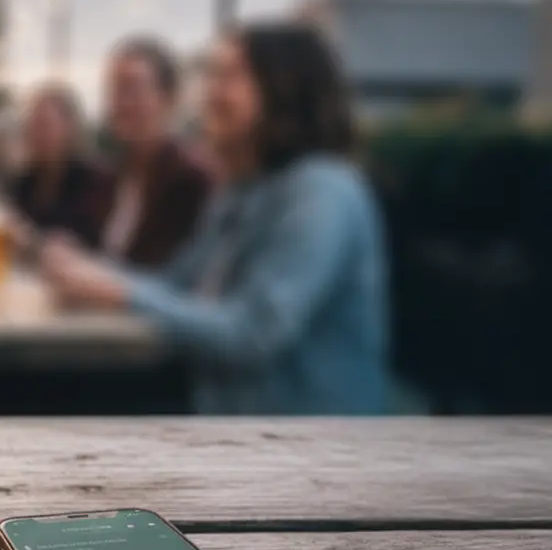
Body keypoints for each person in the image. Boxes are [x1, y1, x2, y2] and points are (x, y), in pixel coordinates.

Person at [40, 24, 389, 415]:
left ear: (285, 88)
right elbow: (178, 283)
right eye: (211, 75)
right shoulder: (245, 189)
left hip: (312, 450)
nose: (210, 93)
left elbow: (252, 334)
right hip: (232, 425)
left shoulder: (322, 192)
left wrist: (118, 291)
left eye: (229, 76)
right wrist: (94, 273)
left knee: (44, 402)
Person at [92, 37, 213, 267]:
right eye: (114, 90)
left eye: (132, 88)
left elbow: (172, 280)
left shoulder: (191, 179)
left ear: (169, 98)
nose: (121, 102)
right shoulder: (114, 175)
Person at [9, 84, 112, 233]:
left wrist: (32, 240)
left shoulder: (94, 183)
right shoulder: (25, 181)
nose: (35, 133)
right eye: (31, 125)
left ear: (70, 128)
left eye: (44, 125)